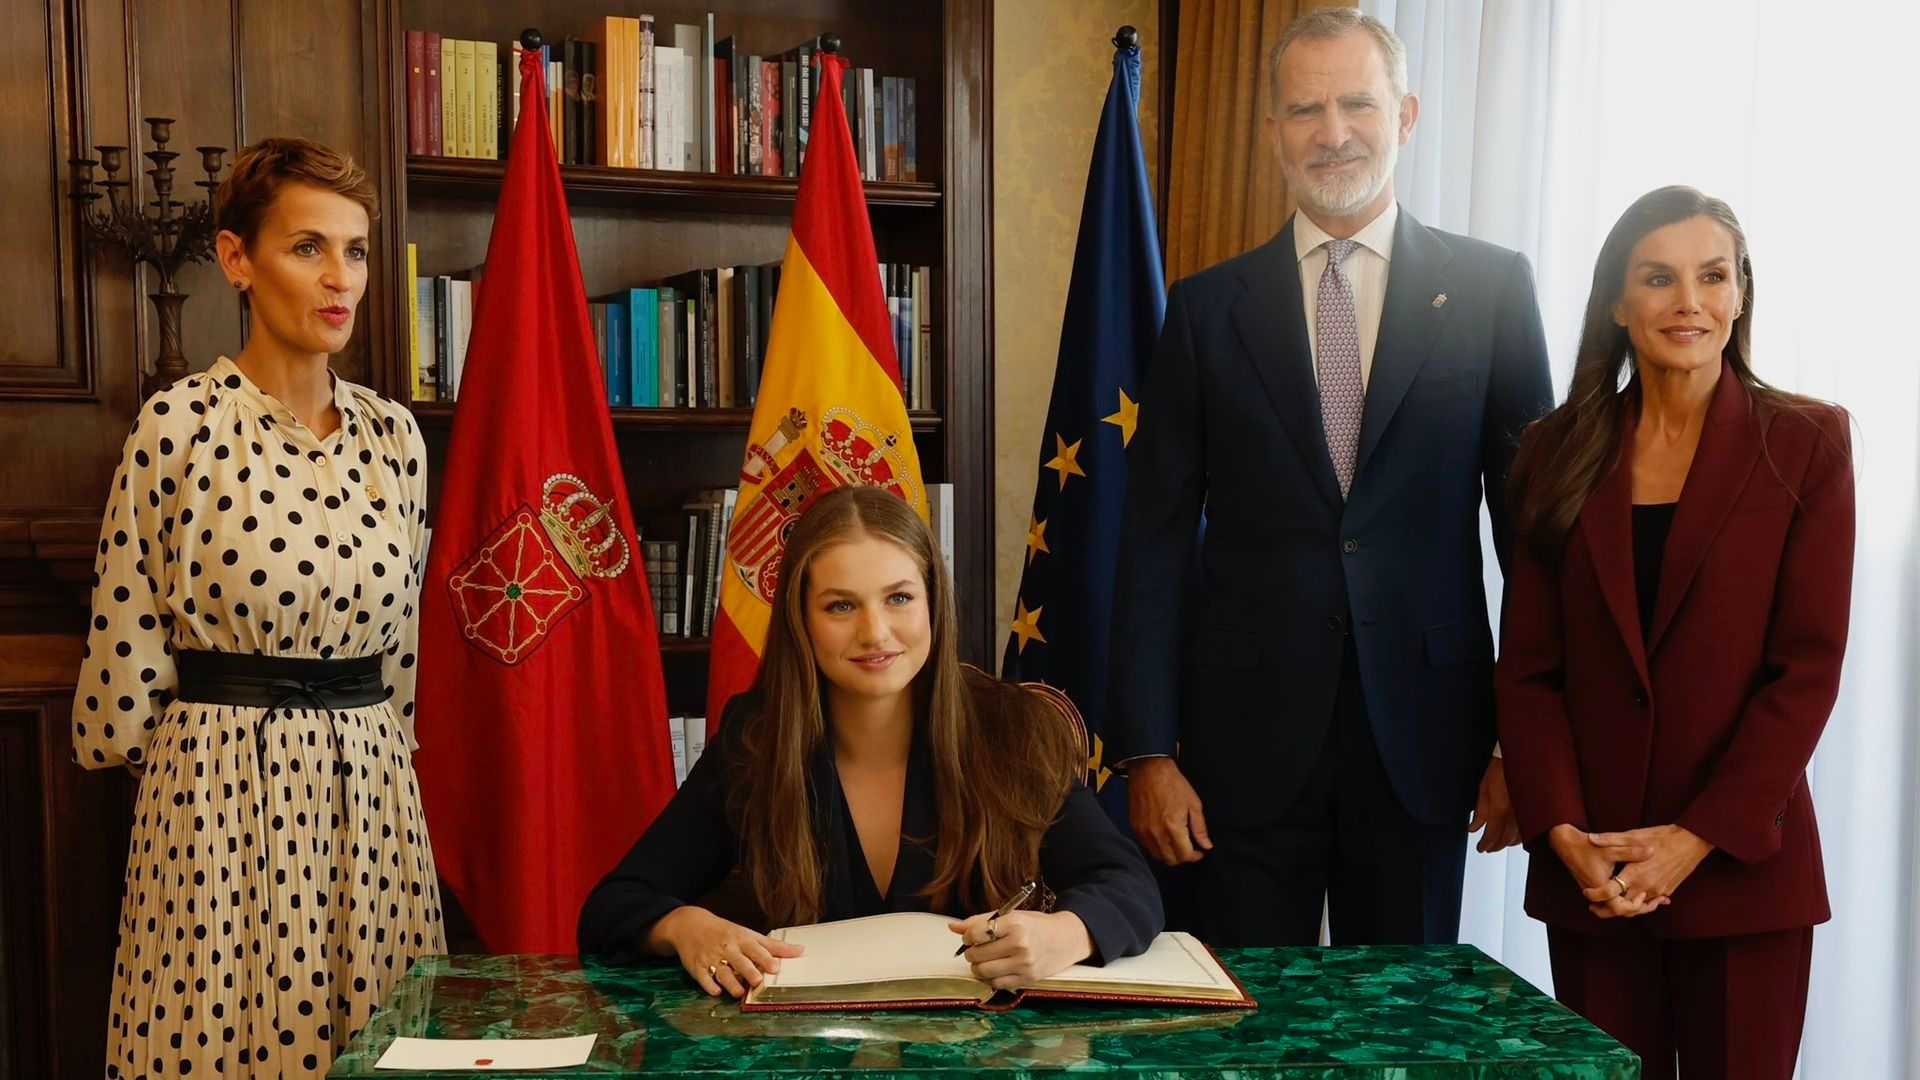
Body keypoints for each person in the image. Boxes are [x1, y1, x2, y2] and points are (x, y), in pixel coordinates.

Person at [1106, 7, 1553, 947]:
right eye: (1305, 109)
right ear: (1272, 131)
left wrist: (1526, 744)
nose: (1333, 131)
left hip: (1428, 739)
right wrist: (1147, 751)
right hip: (1240, 747)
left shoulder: (1491, 291)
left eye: (1357, 102)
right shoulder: (1203, 310)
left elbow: (1537, 547)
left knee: (1405, 1028)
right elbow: (1149, 543)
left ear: (1407, 115)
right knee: (1247, 1022)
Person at [72, 136, 444, 1078]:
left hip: (372, 798)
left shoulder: (395, 437)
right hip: (215, 797)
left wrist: (378, 755)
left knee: (376, 1045)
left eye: (355, 251)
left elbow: (402, 653)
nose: (340, 279)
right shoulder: (179, 424)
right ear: (238, 260)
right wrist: (194, 793)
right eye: (308, 247)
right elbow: (126, 646)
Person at [1495, 186, 1852, 1080]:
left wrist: (1694, 839)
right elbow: (1530, 669)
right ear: (1619, 304)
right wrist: (1561, 828)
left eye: (1712, 276)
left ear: (1740, 296)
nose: (1688, 300)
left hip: (1741, 871)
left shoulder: (1809, 442)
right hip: (1598, 877)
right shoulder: (1552, 450)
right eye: (1658, 278)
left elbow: (1805, 673)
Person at [579, 485, 1162, 995]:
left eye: (899, 598)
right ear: (801, 621)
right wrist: (684, 926)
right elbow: (616, 905)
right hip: (809, 1058)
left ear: (933, 601)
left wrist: (1067, 932)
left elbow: (1128, 885)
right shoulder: (755, 739)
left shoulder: (1012, 729)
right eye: (840, 606)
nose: (875, 632)